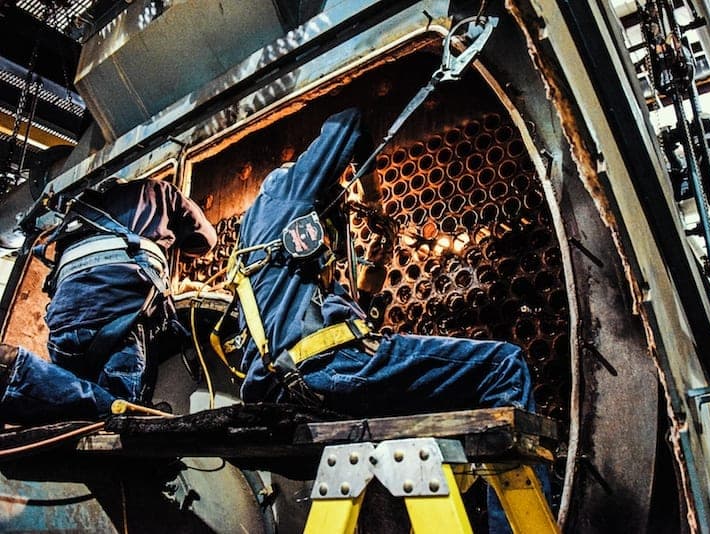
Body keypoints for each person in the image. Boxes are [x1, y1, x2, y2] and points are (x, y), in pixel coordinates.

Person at [233, 108, 547, 531]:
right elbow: (349, 122)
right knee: (504, 366)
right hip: (334, 368)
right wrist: (374, 200)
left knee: (453, 395)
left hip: (291, 385)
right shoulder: (284, 195)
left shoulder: (256, 267)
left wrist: (366, 275)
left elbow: (326, 315)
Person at [0, 178, 217, 424]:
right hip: (119, 313)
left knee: (74, 414)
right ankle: (17, 371)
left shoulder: (76, 216)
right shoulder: (158, 190)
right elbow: (206, 239)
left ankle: (20, 378)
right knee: (119, 415)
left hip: (64, 320)